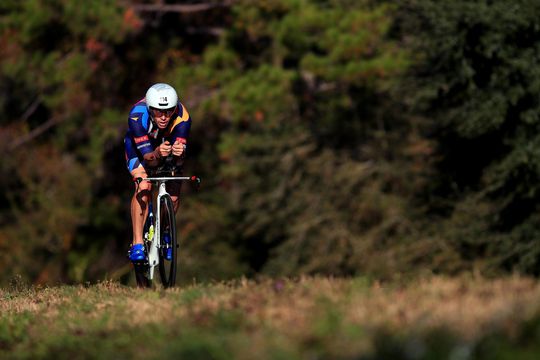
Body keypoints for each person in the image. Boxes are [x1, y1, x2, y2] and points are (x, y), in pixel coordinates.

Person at [123, 83, 191, 263]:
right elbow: (149, 160)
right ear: (149, 109)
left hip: (164, 147)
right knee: (144, 186)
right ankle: (137, 242)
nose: (164, 116)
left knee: (174, 194)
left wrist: (180, 152)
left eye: (169, 111)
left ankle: (165, 230)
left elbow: (180, 159)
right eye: (158, 112)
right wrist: (158, 153)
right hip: (140, 151)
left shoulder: (183, 117)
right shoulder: (137, 116)